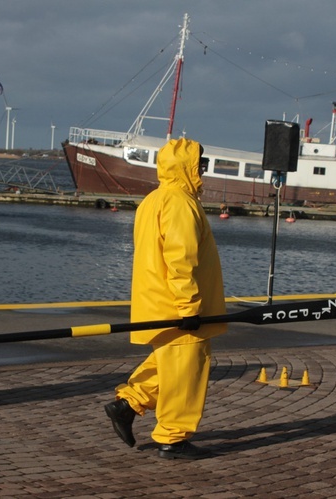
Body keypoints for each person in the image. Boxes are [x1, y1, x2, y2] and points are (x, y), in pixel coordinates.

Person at [104, 138, 226, 460]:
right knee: (187, 374)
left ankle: (128, 404)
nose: (203, 170)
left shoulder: (153, 200)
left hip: (157, 301)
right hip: (177, 306)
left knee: (169, 365)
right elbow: (180, 260)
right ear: (188, 167)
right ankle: (172, 439)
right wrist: (189, 308)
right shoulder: (180, 203)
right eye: (201, 164)